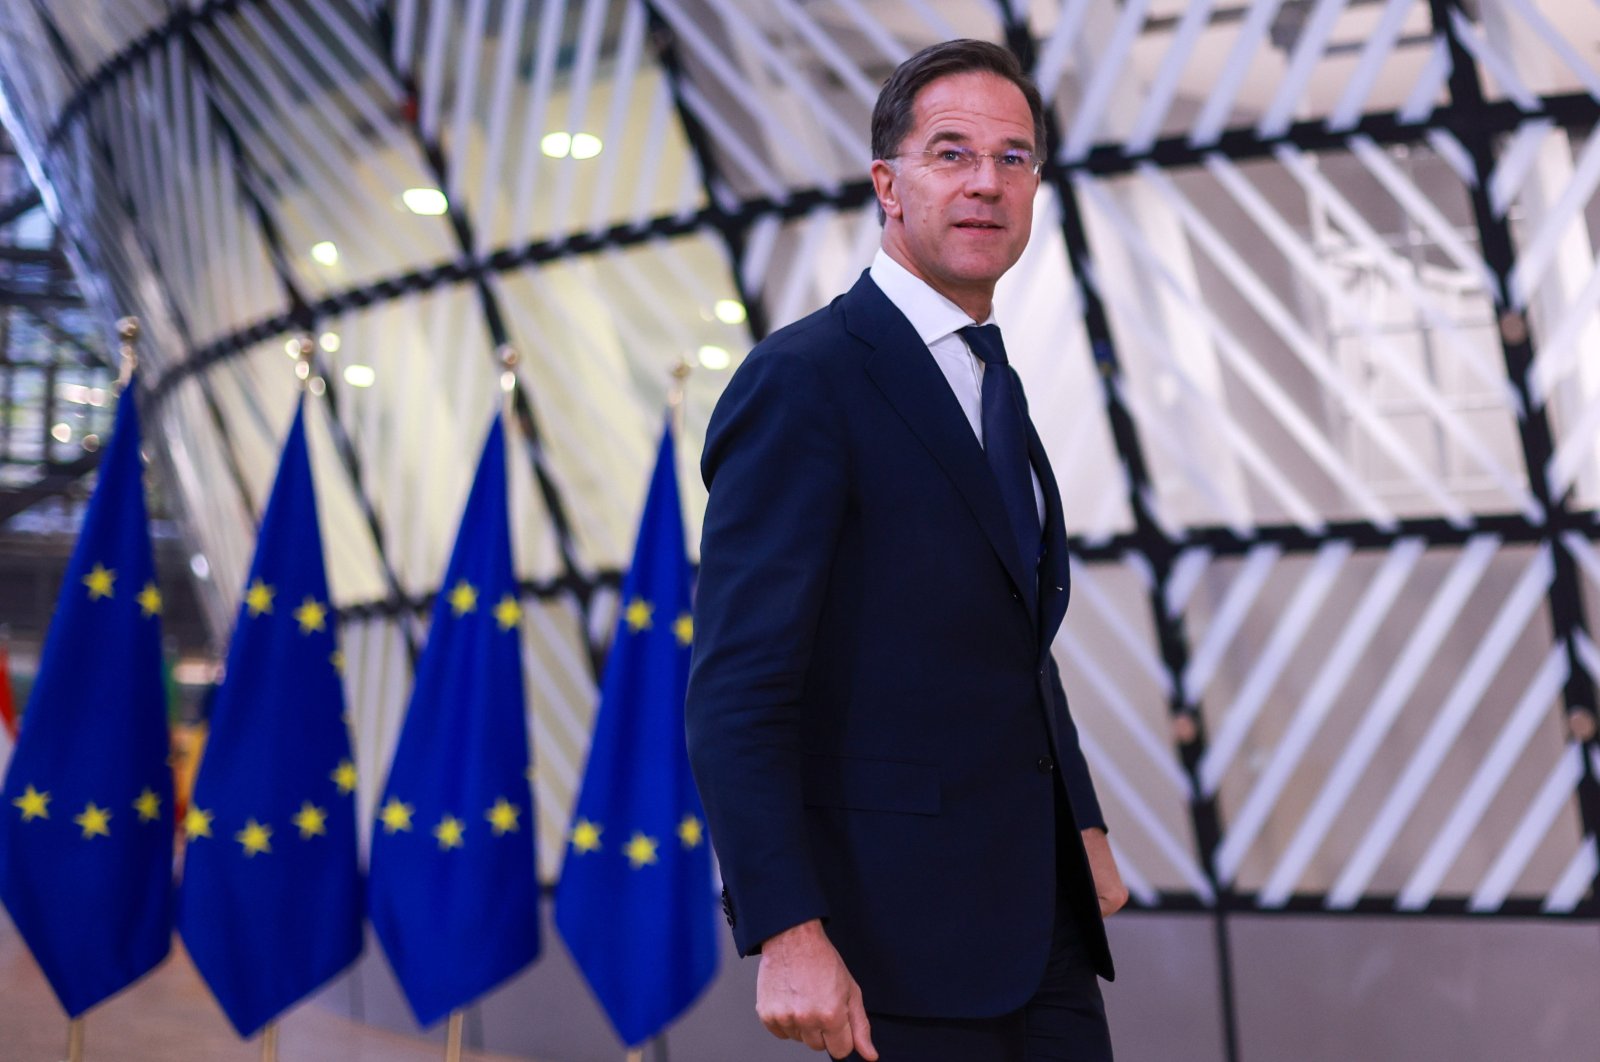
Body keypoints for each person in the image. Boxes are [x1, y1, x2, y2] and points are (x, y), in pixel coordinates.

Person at [685, 39, 1127, 1062]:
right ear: (887, 183)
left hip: (1036, 917)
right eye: (951, 152)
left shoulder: (988, 377)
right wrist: (784, 931)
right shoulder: (806, 379)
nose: (986, 182)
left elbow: (1008, 632)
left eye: (1013, 159)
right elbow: (736, 686)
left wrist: (1083, 818)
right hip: (894, 941)